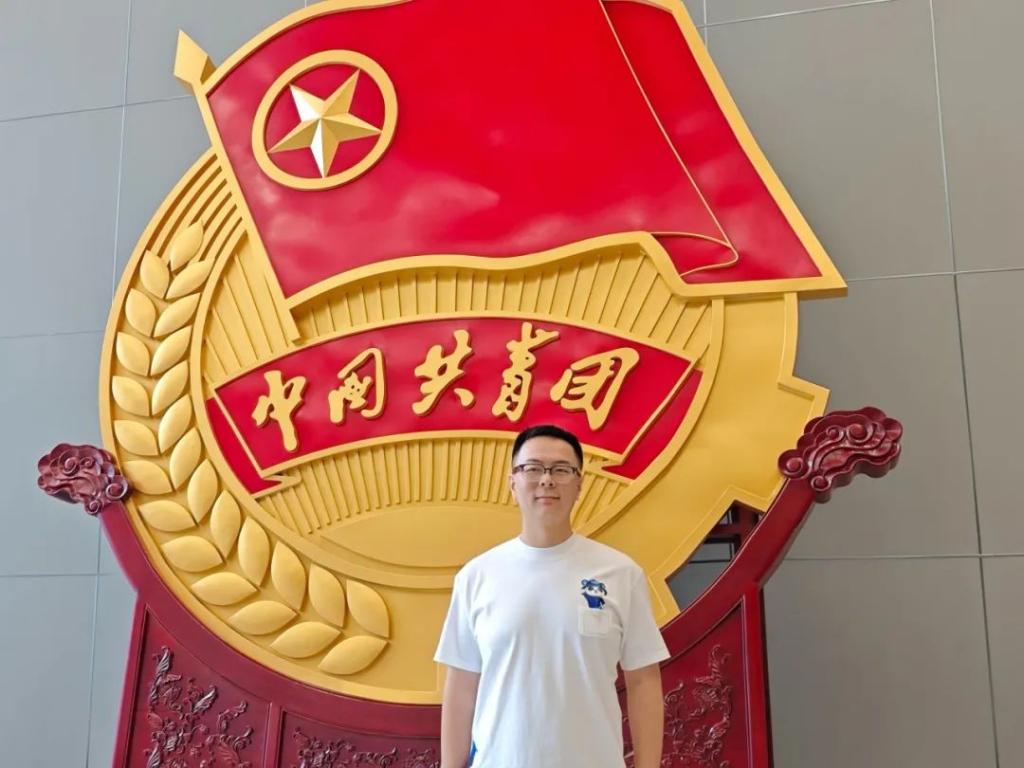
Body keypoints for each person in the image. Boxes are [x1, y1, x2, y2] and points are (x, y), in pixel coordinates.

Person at [434, 424, 668, 768]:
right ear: (513, 483)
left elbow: (643, 681)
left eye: (561, 470)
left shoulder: (620, 573)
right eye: (532, 468)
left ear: (579, 485)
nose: (546, 480)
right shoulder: (477, 576)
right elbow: (461, 688)